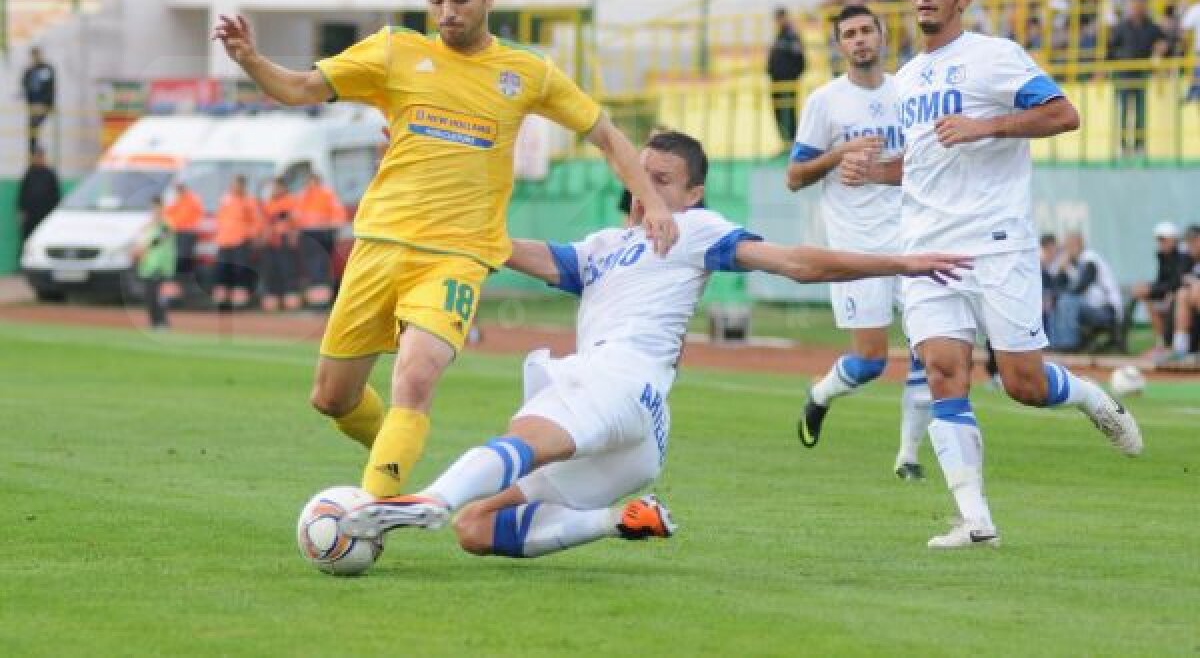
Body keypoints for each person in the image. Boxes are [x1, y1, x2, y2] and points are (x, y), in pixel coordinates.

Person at [339, 131, 970, 557]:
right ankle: (621, 519)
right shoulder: (607, 246)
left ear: (692, 193)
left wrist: (900, 262)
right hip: (641, 440)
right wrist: (445, 222)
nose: (648, 187)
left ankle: (424, 500)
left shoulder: (695, 229)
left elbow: (795, 262)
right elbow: (504, 249)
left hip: (619, 378)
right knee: (477, 530)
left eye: (663, 179)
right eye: (641, 175)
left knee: (519, 441)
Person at [214, 0, 680, 499]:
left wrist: (652, 204)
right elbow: (298, 88)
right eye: (436, 0)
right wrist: (250, 60)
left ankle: (373, 509)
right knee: (332, 398)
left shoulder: (525, 73)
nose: (447, 12)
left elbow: (604, 134)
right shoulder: (394, 53)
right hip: (380, 244)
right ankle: (394, 447)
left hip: (458, 253)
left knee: (415, 374)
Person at [842, 0, 1141, 549]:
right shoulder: (905, 80)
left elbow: (1064, 114)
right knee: (944, 373)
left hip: (996, 242)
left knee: (1023, 383)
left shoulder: (994, 56)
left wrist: (989, 124)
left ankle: (1090, 398)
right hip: (926, 249)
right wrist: (874, 172)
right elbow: (926, 163)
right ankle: (975, 520)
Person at [786, 4, 932, 480]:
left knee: (927, 348)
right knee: (870, 362)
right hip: (854, 247)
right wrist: (838, 153)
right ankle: (821, 394)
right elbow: (794, 177)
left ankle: (908, 457)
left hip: (909, 237)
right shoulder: (826, 102)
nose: (859, 40)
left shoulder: (906, 91)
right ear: (840, 45)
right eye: (849, 34)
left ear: (883, 36)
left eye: (866, 30)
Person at [1108, 0, 1167, 155]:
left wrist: (1162, 47)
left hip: (1142, 73)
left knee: (1141, 111)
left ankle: (1139, 145)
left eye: (1140, 4)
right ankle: (1124, 145)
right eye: (1134, 4)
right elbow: (1110, 50)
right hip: (1124, 74)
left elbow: (1165, 43)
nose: (1137, 7)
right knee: (1125, 110)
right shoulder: (1121, 27)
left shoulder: (1152, 27)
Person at [1048, 231, 1123, 352]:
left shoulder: (1090, 259)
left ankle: (1068, 346)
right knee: (1056, 301)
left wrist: (1065, 269)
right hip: (1089, 307)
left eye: (1068, 246)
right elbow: (1056, 288)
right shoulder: (1072, 262)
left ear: (1078, 244)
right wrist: (1060, 271)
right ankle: (1055, 344)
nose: (1066, 250)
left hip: (1107, 310)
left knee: (1066, 301)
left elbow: (1079, 287)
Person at [1129, 220, 1191, 357]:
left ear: (1174, 240)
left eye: (1163, 239)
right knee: (1149, 300)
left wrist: (1150, 289)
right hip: (1169, 296)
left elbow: (1177, 283)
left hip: (1181, 297)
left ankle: (1178, 348)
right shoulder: (1162, 256)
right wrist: (1148, 289)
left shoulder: (1184, 256)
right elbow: (1162, 281)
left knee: (1176, 296)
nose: (1160, 243)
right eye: (1159, 240)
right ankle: (1162, 344)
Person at [293, 172, 346, 308]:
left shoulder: (308, 194)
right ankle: (319, 300)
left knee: (317, 266)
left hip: (317, 233)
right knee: (318, 266)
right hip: (317, 232)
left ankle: (319, 300)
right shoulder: (320, 194)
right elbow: (296, 215)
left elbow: (296, 215)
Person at [211, 174, 261, 311]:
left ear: (242, 186)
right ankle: (223, 300)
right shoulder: (226, 199)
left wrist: (248, 235)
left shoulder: (249, 201)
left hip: (240, 241)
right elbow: (220, 218)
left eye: (237, 184)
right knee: (222, 270)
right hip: (224, 240)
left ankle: (239, 301)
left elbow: (256, 222)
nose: (234, 187)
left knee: (239, 270)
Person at [1160, 225, 1200, 366]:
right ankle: (1180, 349)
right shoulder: (1189, 260)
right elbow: (1177, 281)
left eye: (1194, 241)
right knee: (1182, 293)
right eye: (1189, 242)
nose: (1191, 245)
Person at [766, 7, 806, 148]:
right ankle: (786, 143)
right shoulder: (780, 35)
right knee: (779, 112)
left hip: (787, 81)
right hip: (777, 80)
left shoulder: (791, 35)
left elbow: (799, 56)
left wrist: (793, 75)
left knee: (788, 112)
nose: (778, 21)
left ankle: (791, 142)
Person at [134, 197, 176, 329]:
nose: (155, 211)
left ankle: (162, 322)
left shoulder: (167, 224)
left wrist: (143, 248)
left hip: (161, 267)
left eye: (157, 208)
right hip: (148, 266)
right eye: (153, 208)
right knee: (149, 296)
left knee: (159, 297)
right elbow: (142, 242)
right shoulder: (148, 226)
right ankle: (154, 322)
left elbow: (158, 240)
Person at [260, 177, 301, 311]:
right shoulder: (269, 202)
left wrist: (292, 234)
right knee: (271, 270)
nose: (274, 190)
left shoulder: (290, 201)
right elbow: (265, 221)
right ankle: (273, 300)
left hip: (285, 240)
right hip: (271, 241)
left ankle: (290, 300)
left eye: (277, 187)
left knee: (287, 270)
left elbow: (294, 221)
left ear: (283, 187)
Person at [162, 181, 204, 300]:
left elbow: (198, 215)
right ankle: (175, 284)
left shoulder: (192, 199)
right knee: (175, 258)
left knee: (183, 257)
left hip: (187, 233)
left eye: (179, 188)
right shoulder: (176, 199)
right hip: (176, 232)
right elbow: (167, 213)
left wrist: (192, 226)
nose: (178, 190)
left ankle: (183, 283)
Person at [16, 147, 60, 247]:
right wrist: (21, 211)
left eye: (41, 156)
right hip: (30, 216)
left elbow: (56, 195)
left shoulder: (50, 174)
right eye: (37, 156)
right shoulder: (29, 174)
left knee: (45, 239)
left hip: (46, 215)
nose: (39, 159)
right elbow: (23, 194)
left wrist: (54, 213)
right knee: (28, 241)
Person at [22, 47, 55, 153]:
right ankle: (32, 153)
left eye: (37, 55)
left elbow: (50, 87)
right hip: (33, 106)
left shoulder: (47, 69)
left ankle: (36, 152)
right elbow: (24, 85)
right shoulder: (29, 70)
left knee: (35, 125)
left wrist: (45, 104)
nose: (35, 58)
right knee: (32, 129)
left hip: (44, 105)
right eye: (33, 56)